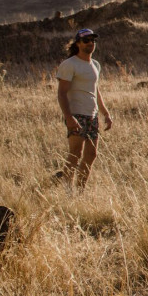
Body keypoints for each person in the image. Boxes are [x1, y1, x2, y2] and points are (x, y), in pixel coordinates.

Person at [55, 28, 113, 191]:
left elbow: (95, 90)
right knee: (75, 153)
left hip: (92, 115)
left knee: (91, 155)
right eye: (86, 40)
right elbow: (61, 93)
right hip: (76, 114)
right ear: (78, 43)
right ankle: (67, 191)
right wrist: (68, 117)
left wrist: (106, 113)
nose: (90, 44)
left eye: (93, 40)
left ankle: (80, 191)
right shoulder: (69, 64)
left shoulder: (95, 65)